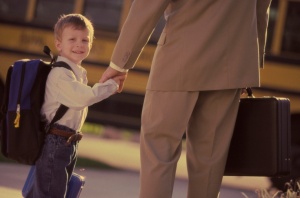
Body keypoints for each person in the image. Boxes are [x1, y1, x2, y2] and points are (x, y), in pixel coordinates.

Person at [100, 0, 272, 197]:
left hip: (178, 61)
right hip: (230, 67)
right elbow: (261, 8)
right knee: (209, 160)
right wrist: (249, 64)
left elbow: (146, 7)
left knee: (159, 152)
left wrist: (120, 64)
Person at [27, 14, 123, 198]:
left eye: (85, 40)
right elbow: (84, 98)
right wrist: (112, 85)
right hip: (55, 142)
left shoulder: (75, 73)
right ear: (58, 44)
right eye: (72, 39)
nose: (79, 44)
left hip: (67, 143)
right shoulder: (60, 75)